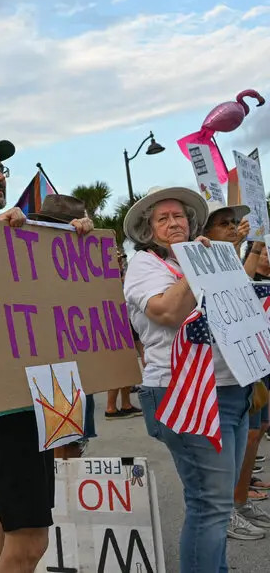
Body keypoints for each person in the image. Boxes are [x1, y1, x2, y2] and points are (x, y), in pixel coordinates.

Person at [0, 141, 94, 573]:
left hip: (37, 396)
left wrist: (70, 246)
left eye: (1, 168)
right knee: (30, 540)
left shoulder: (23, 238)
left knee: (8, 523)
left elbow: (60, 310)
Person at [123, 186, 260, 567]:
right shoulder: (144, 265)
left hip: (230, 389)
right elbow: (166, 312)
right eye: (162, 219)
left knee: (218, 502)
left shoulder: (205, 255)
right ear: (148, 230)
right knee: (211, 505)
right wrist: (198, 265)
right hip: (184, 392)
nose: (173, 223)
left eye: (179, 216)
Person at [200, 201, 270, 509]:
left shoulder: (229, 257)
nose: (232, 227)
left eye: (233, 222)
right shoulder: (203, 263)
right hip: (224, 372)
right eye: (224, 223)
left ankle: (238, 503)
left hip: (248, 361)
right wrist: (254, 247)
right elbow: (237, 292)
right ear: (206, 231)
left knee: (255, 431)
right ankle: (232, 506)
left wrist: (252, 244)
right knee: (247, 437)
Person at [27, 194, 98, 459]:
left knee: (71, 442)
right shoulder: (25, 254)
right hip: (40, 360)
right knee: (49, 443)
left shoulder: (85, 257)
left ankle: (65, 494)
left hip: (73, 361)